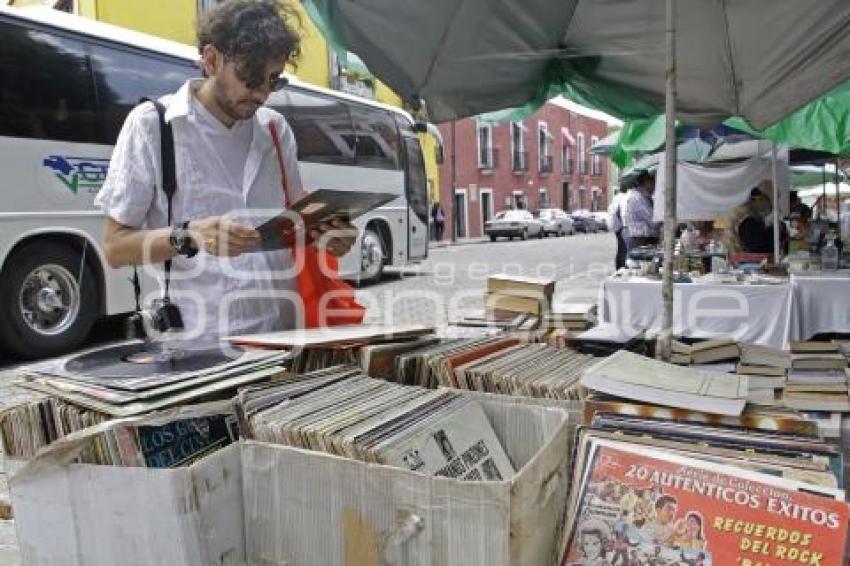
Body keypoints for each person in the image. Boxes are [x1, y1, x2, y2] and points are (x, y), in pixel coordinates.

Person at [96, 0, 358, 338]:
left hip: (284, 335)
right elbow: (116, 248)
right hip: (199, 344)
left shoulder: (276, 129)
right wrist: (189, 235)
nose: (262, 93)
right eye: (250, 79)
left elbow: (296, 222)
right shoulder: (152, 126)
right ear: (211, 60)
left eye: (273, 80)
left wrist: (328, 235)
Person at [725, 184, 775, 255]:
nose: (768, 207)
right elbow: (756, 247)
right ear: (760, 199)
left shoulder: (744, 210)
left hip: (736, 256)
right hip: (744, 260)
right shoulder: (748, 219)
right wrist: (771, 231)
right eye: (769, 203)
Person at [623, 171, 660, 251]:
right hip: (639, 239)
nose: (655, 186)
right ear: (646, 182)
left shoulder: (644, 197)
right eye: (653, 183)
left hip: (643, 238)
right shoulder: (637, 198)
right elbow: (653, 221)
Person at [608, 183, 628, 270]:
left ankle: (619, 267)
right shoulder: (624, 197)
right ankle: (621, 267)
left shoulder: (616, 197)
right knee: (623, 249)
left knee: (620, 248)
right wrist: (624, 225)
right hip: (621, 226)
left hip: (616, 226)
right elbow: (620, 212)